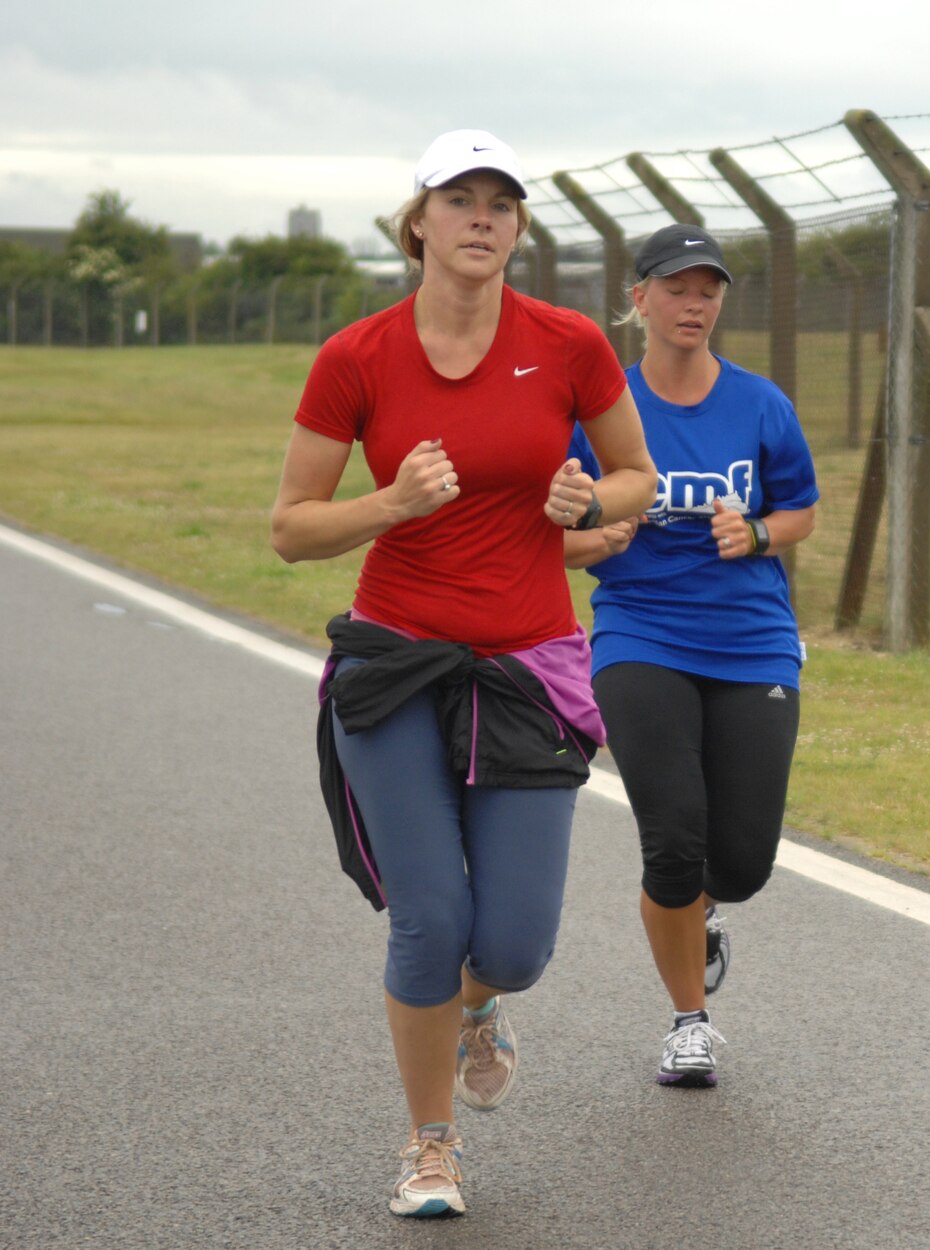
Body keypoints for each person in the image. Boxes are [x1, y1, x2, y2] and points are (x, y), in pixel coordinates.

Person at [271, 129, 657, 1218]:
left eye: (502, 202)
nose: (482, 216)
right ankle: (428, 1143)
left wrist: (594, 500)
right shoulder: (358, 355)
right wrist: (390, 503)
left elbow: (637, 474)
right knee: (429, 918)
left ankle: (482, 1004)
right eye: (461, 198)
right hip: (396, 663)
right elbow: (292, 529)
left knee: (516, 942)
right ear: (420, 222)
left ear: (518, 229)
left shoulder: (570, 342)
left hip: (527, 664)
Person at [564, 224, 819, 1089]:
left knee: (740, 863)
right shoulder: (601, 409)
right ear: (638, 299)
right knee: (672, 841)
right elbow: (552, 538)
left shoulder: (759, 404)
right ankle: (688, 1023)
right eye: (676, 287)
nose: (694, 303)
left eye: (708, 289)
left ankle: (702, 912)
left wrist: (755, 532)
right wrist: (596, 541)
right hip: (641, 633)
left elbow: (801, 514)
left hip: (752, 641)